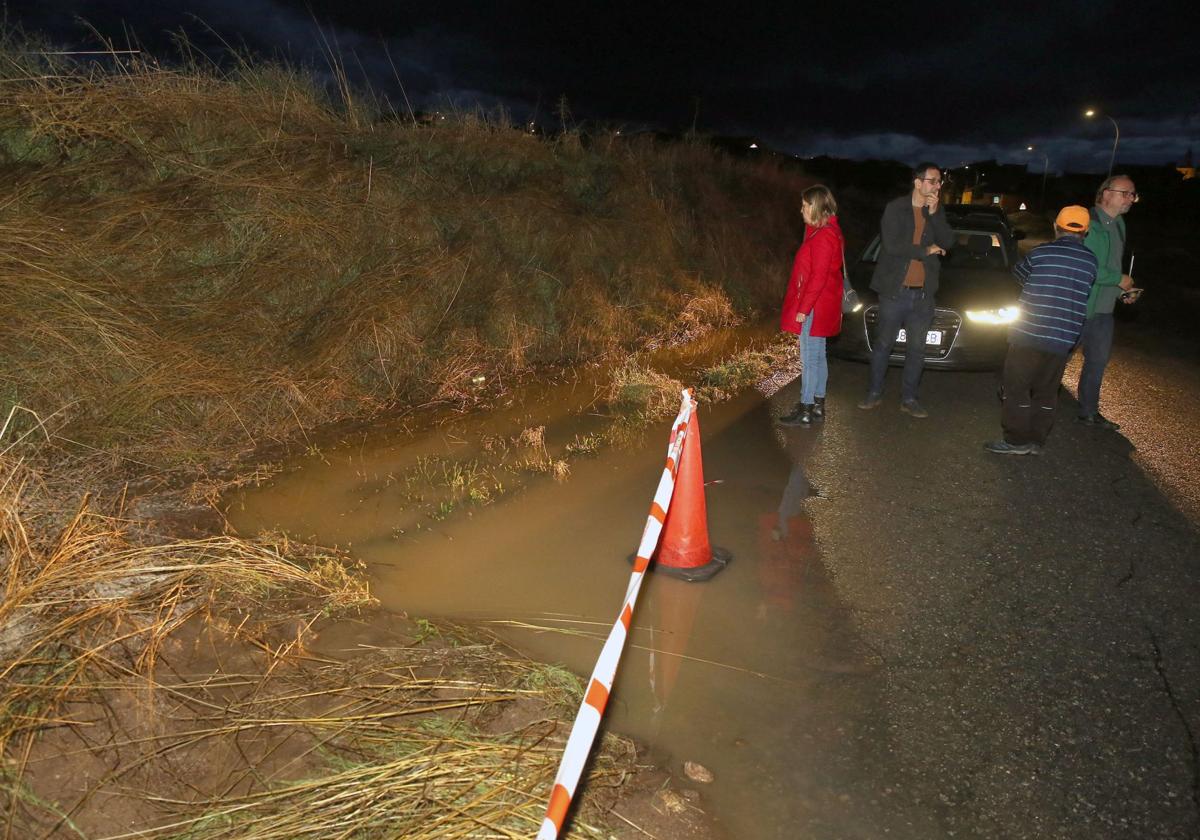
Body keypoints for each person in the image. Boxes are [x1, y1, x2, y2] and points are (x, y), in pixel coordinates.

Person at [984, 206, 1098, 455]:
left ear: (1056, 227)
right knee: (1047, 391)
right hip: (1063, 338)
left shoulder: (1041, 252)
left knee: (1016, 388)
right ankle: (1037, 440)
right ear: (1085, 231)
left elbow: (1019, 274)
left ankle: (1015, 441)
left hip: (1028, 333)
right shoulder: (1090, 261)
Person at [858, 162, 955, 417]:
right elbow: (892, 246)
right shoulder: (896, 208)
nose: (937, 186)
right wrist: (926, 250)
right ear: (918, 182)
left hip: (923, 295)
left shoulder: (935, 211)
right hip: (894, 292)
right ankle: (874, 392)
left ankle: (909, 399)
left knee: (917, 349)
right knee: (883, 344)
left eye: (939, 182)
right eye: (933, 180)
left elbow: (948, 242)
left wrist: (934, 215)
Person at [778, 185, 844, 427]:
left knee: (809, 358)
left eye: (805, 206)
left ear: (816, 208)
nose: (801, 210)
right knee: (818, 356)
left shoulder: (824, 236)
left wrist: (803, 309)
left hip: (815, 305)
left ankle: (806, 408)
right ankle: (817, 405)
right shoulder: (826, 231)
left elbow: (817, 277)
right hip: (823, 304)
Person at [1077, 174, 1137, 430]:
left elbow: (1113, 265)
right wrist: (1119, 278)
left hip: (1104, 309)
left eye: (1133, 194)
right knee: (1056, 358)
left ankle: (1089, 411)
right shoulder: (1087, 222)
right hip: (1078, 306)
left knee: (1097, 362)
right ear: (1106, 194)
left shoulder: (1119, 224)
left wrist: (1121, 291)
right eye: (1126, 193)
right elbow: (1084, 267)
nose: (1131, 199)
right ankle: (1032, 399)